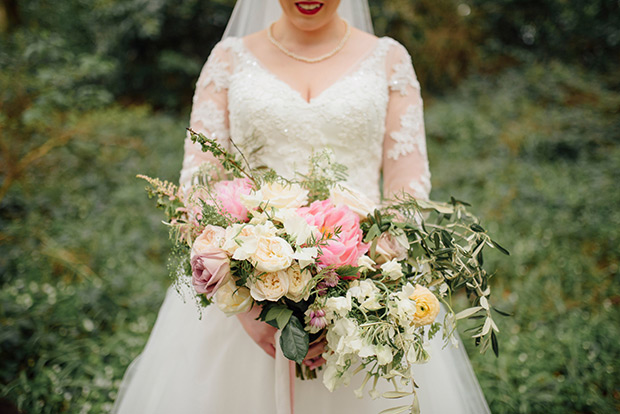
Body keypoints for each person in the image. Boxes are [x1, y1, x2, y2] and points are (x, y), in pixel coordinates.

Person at [113, 1, 491, 413]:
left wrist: (363, 293)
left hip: (363, 293)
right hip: (240, 296)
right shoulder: (228, 60)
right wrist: (245, 304)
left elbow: (409, 189)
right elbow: (199, 182)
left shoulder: (389, 59)